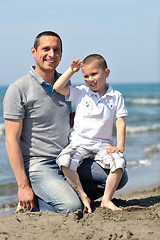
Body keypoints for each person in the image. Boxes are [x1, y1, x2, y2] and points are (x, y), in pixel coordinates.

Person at [3, 31, 128, 213]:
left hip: (70, 157)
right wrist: (23, 186)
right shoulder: (18, 89)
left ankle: (66, 194)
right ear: (33, 51)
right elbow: (11, 140)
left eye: (57, 50)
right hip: (40, 164)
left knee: (120, 176)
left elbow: (74, 119)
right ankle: (36, 200)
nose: (51, 54)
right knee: (71, 206)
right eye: (46, 49)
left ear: (61, 54)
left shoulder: (67, 85)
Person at [54, 55, 128, 212]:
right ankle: (82, 195)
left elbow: (120, 122)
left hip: (103, 145)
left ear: (106, 72)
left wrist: (119, 147)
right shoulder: (81, 92)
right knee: (64, 160)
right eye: (86, 76)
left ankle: (106, 200)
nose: (90, 79)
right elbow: (57, 87)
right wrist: (71, 71)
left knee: (119, 163)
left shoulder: (116, 96)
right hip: (79, 143)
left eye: (94, 74)